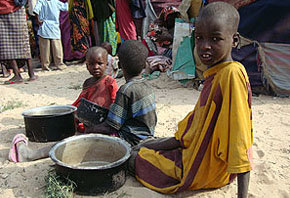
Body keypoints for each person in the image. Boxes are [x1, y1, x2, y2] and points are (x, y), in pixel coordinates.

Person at [130, 2, 253, 198]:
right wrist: (152, 143)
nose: (205, 46)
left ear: (234, 41)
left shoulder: (230, 75)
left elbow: (240, 140)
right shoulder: (218, 72)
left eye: (215, 39)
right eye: (199, 38)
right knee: (143, 147)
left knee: (136, 159)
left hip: (206, 169)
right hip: (202, 157)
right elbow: (194, 130)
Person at [8, 46, 118, 162]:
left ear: (107, 65)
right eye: (91, 64)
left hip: (102, 125)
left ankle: (30, 155)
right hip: (87, 123)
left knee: (69, 143)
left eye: (100, 63)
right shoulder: (88, 83)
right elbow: (80, 103)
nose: (96, 67)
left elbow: (115, 104)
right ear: (86, 66)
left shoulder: (109, 82)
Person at [85, 40, 157, 146]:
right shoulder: (148, 86)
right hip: (148, 134)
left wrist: (90, 130)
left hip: (132, 139)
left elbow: (112, 125)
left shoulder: (126, 90)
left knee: (96, 139)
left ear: (119, 65)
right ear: (144, 66)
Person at [0, 0, 37, 84]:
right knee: (23, 43)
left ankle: (17, 75)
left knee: (7, 44)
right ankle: (31, 74)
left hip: (3, 12)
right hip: (18, 10)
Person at [33, 0, 68, 71]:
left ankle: (46, 66)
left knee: (45, 49)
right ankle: (59, 64)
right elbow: (66, 7)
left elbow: (35, 11)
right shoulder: (55, 2)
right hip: (51, 26)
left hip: (46, 26)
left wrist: (38, 20)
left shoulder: (42, 1)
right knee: (56, 47)